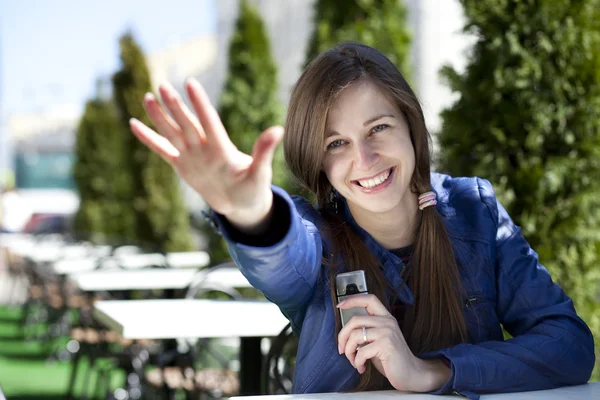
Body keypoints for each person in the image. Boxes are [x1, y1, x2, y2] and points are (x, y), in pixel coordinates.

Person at [129, 42, 595, 398]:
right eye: (337, 144)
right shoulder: (319, 241)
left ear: (411, 127)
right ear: (321, 164)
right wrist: (249, 210)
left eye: (378, 129)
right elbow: (281, 250)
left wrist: (431, 371)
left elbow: (570, 346)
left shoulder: (474, 209)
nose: (365, 158)